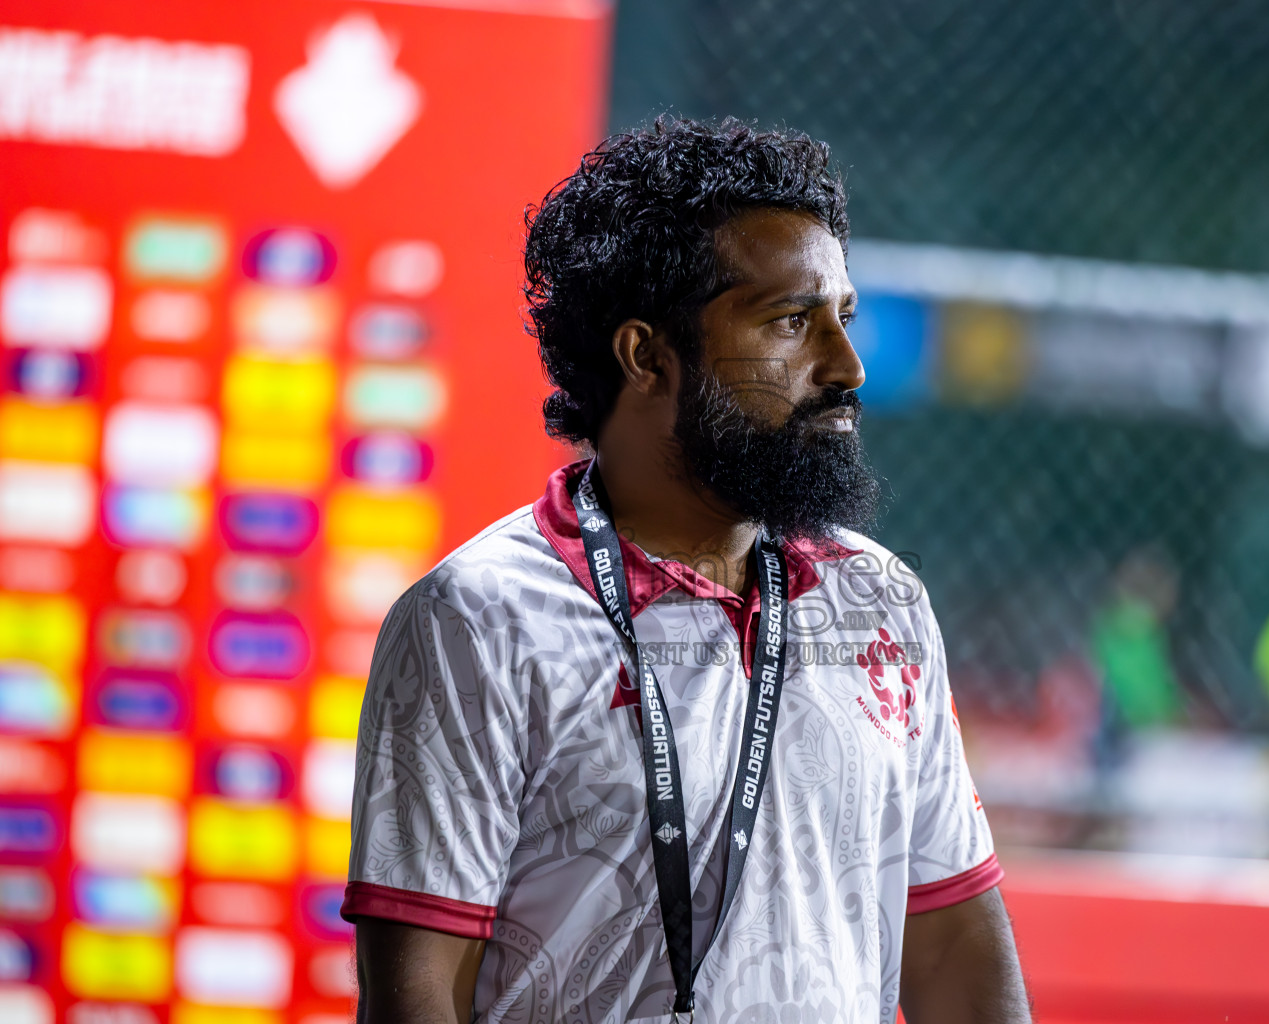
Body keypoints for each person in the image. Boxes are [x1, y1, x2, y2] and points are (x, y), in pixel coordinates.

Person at [342, 116, 1031, 1024]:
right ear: (648, 356)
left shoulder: (881, 601)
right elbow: (421, 994)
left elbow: (951, 949)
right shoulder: (477, 619)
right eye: (792, 321)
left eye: (842, 319)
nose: (847, 365)